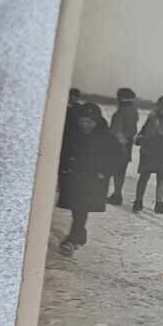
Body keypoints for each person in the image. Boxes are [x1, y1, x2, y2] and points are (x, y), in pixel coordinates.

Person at [57, 102, 123, 254]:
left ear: (97, 121)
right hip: (74, 178)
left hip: (93, 180)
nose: (86, 125)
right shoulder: (72, 133)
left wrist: (105, 172)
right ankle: (80, 235)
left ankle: (73, 239)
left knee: (81, 208)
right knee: (77, 208)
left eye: (90, 122)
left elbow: (118, 157)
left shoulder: (106, 137)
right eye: (83, 121)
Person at [107, 87, 139, 205]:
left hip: (116, 148)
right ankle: (117, 195)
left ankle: (110, 195)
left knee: (107, 171)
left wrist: (121, 141)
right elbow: (134, 130)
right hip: (126, 149)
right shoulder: (134, 112)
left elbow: (116, 130)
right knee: (120, 173)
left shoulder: (121, 112)